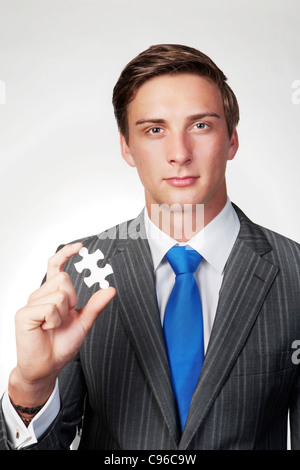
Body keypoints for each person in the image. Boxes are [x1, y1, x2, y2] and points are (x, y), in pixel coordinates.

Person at [1, 44, 300, 450]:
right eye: (154, 130)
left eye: (201, 126)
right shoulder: (78, 271)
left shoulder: (295, 273)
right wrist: (30, 388)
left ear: (231, 140)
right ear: (126, 147)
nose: (179, 154)